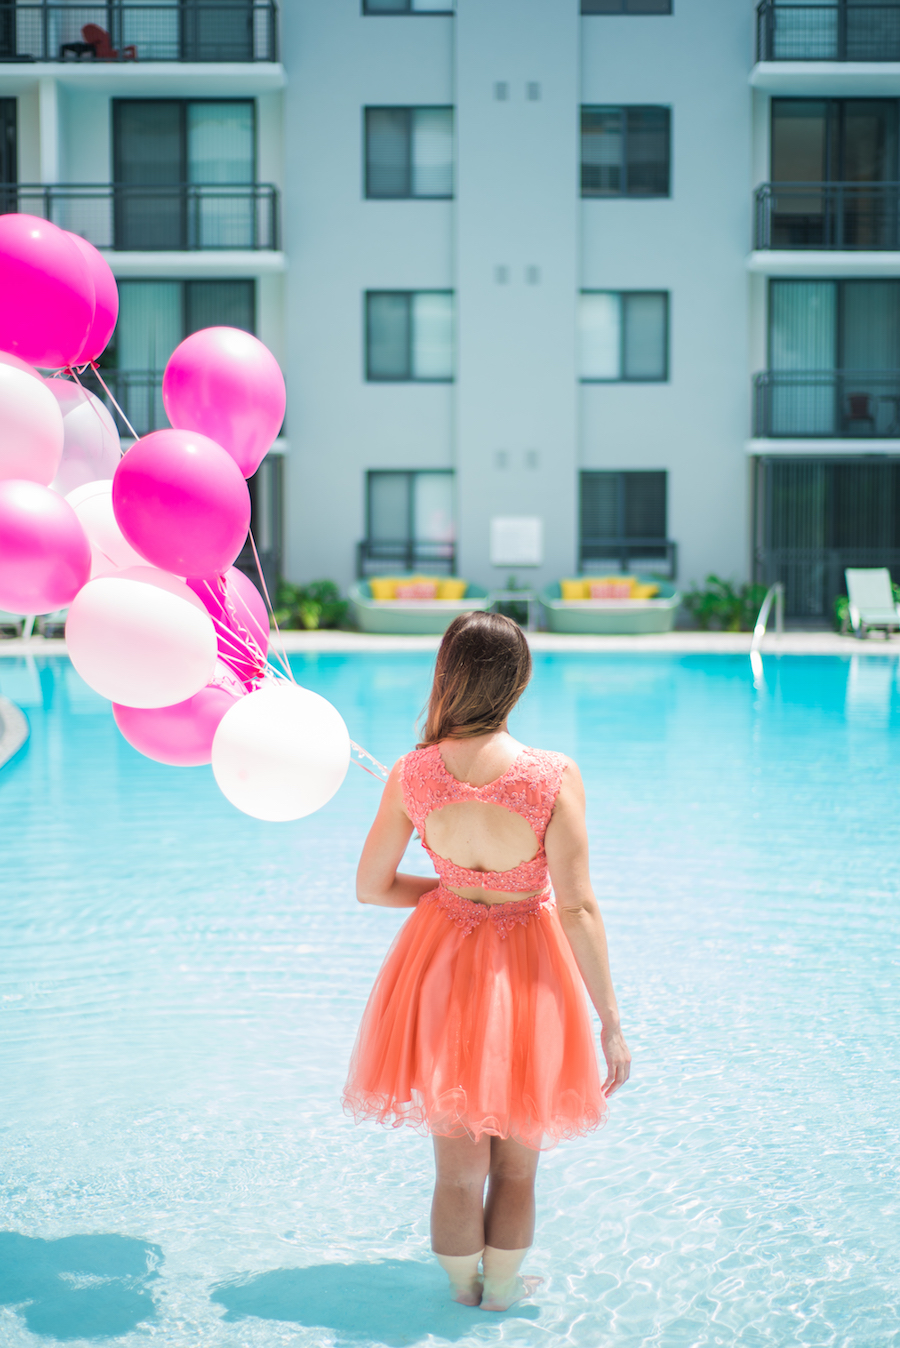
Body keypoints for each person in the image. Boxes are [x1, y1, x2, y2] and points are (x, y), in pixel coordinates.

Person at [343, 612, 631, 1312]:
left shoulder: (413, 773)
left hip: (440, 964)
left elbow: (372, 887)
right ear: (520, 680)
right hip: (530, 970)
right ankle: (500, 1292)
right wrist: (612, 1023)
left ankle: (458, 1288)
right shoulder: (551, 776)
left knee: (455, 1173)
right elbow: (577, 908)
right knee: (518, 1170)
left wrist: (447, 891)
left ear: (447, 672)